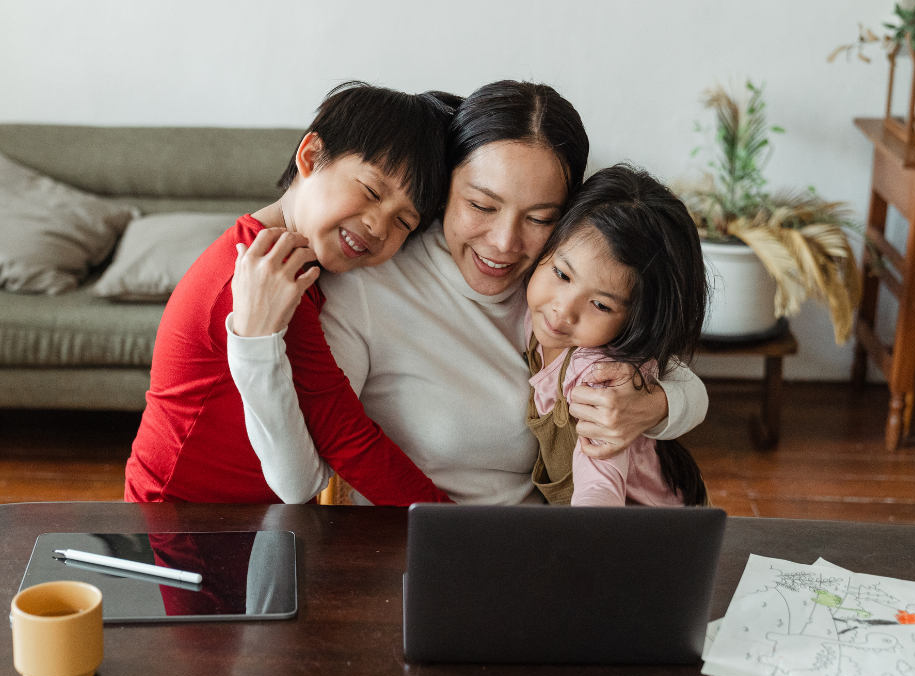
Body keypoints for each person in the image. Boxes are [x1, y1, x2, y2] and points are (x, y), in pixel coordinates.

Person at [227, 80, 710, 505]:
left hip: (545, 552)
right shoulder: (367, 286)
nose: (504, 244)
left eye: (540, 218)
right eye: (481, 205)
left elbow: (678, 377)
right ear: (443, 189)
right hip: (420, 559)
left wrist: (655, 405)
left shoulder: (557, 287)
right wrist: (253, 345)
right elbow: (301, 480)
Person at [124, 82, 455, 505]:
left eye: (404, 222)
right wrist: (454, 529)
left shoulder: (300, 262)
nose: (377, 225)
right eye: (371, 192)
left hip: (238, 519)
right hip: (179, 522)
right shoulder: (265, 276)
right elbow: (344, 440)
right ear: (311, 156)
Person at [523, 164, 709, 507]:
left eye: (600, 305)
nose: (563, 310)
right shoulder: (533, 321)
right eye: (563, 274)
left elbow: (600, 487)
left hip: (652, 534)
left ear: (636, 320)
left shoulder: (599, 374)